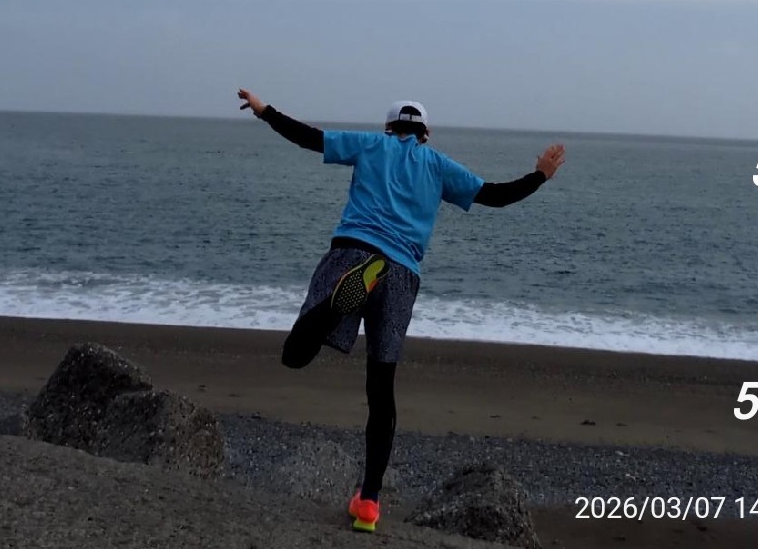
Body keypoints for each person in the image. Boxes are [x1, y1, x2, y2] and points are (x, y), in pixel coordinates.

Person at [237, 88, 566, 533]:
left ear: (388, 128)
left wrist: (264, 111)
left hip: (353, 254)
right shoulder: (438, 165)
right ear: (425, 133)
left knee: (295, 355)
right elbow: (495, 195)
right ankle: (369, 504)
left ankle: (335, 304)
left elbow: (309, 138)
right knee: (381, 390)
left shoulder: (371, 145)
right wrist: (540, 175)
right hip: (400, 276)